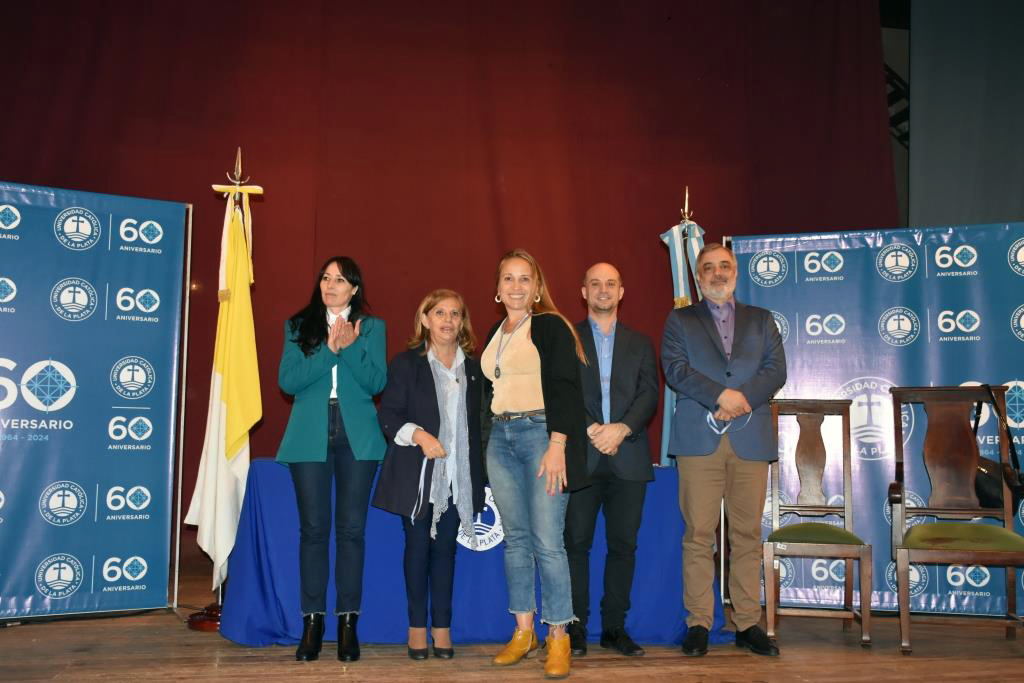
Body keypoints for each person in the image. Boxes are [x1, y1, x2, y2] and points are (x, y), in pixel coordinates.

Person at [661, 242, 786, 658]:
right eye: (708, 268)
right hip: (700, 440)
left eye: (725, 266)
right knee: (699, 535)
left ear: (736, 272)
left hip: (750, 441)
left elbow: (776, 370)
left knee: (747, 535)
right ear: (698, 278)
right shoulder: (680, 320)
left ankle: (748, 622)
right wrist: (720, 396)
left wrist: (742, 398)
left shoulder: (762, 320)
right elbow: (675, 369)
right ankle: (699, 621)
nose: (717, 273)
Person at [481, 248, 588, 679]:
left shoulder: (549, 326)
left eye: (525, 278)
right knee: (516, 541)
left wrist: (558, 442)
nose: (516, 286)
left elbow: (565, 387)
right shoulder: (495, 331)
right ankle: (523, 631)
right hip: (500, 439)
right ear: (497, 288)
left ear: (537, 287)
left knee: (547, 541)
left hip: (542, 435)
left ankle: (558, 636)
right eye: (508, 278)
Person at [275, 256, 387, 663]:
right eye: (325, 277)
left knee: (352, 531)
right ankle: (312, 622)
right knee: (313, 530)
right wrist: (328, 349)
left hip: (357, 435)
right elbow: (288, 382)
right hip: (310, 434)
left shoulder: (372, 328)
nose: (330, 284)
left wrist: (352, 348)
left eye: (340, 279)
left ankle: (347, 623)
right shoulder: (298, 325)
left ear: (354, 288)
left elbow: (377, 382)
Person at [373, 289, 486, 661]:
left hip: (459, 478)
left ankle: (443, 629)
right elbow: (388, 414)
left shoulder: (474, 368)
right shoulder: (407, 364)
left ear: (462, 322)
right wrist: (420, 435)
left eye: (455, 313)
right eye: (439, 313)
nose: (448, 320)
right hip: (418, 477)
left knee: (446, 553)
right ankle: (416, 629)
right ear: (425, 319)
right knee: (418, 550)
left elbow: (482, 424)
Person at [564, 263, 658, 658]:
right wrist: (593, 430)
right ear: (583, 291)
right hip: (582, 457)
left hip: (629, 456)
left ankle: (614, 628)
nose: (603, 290)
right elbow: (561, 392)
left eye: (611, 284)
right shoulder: (567, 339)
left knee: (624, 546)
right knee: (575, 544)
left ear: (622, 292)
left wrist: (620, 429)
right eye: (595, 284)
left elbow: (649, 394)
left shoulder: (640, 343)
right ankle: (576, 627)